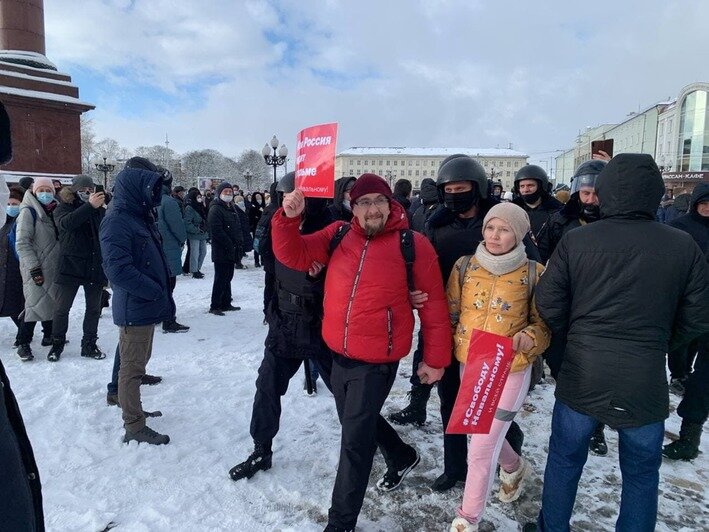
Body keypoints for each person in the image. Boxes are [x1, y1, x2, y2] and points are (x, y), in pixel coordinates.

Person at [534, 154, 709, 532]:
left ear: (607, 191)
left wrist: (576, 335)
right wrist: (658, 341)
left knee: (564, 459)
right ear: (654, 193)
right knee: (642, 473)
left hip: (583, 371)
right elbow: (697, 314)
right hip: (644, 376)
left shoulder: (577, 241)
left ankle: (552, 528)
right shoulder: (682, 245)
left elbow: (547, 302)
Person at [272, 174, 451, 532]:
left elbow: (433, 308)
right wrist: (288, 218)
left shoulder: (411, 244)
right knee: (356, 421)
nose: (371, 209)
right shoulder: (338, 234)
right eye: (363, 202)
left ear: (391, 205)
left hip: (377, 361)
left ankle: (340, 523)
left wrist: (435, 359)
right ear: (353, 207)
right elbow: (293, 254)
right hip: (337, 351)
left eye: (378, 202)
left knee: (354, 443)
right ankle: (401, 454)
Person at [390, 155, 537, 492]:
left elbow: (531, 272)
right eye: (449, 190)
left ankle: (508, 459)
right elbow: (421, 269)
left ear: (478, 188)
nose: (455, 195)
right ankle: (454, 465)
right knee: (452, 399)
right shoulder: (436, 224)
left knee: (496, 407)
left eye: (462, 189)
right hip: (451, 324)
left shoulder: (499, 220)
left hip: (499, 328)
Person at [228, 172, 338, 480]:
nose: (292, 204)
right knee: (267, 387)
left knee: (345, 394)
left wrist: (317, 279)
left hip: (320, 325)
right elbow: (272, 273)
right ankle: (261, 449)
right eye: (287, 198)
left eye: (299, 198)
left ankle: (382, 445)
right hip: (285, 324)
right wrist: (269, 308)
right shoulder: (276, 225)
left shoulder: (331, 228)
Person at [448, 203, 550, 532]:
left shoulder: (535, 272)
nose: (495, 235)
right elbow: (450, 314)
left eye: (504, 229)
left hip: (511, 369)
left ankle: (468, 518)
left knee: (480, 447)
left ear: (518, 234)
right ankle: (514, 466)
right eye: (491, 227)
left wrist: (529, 337)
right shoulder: (464, 267)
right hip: (473, 365)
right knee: (482, 433)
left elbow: (545, 325)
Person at [99, 157, 175, 445]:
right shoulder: (117, 220)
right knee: (130, 370)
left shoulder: (137, 216)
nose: (155, 195)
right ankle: (133, 425)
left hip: (145, 304)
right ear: (136, 188)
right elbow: (117, 269)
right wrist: (154, 289)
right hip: (136, 304)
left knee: (137, 365)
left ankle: (135, 411)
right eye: (151, 187)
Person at [537, 160, 610, 455]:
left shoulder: (616, 224)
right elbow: (540, 256)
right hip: (564, 305)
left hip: (601, 307)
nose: (590, 200)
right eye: (585, 194)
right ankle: (570, 421)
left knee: (598, 372)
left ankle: (597, 427)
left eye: (596, 194)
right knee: (563, 366)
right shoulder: (559, 221)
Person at [663, 183, 709, 460]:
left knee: (703, 380)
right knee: (678, 352)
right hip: (686, 308)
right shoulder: (681, 227)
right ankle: (679, 374)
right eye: (704, 203)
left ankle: (690, 436)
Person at [48, 175, 107, 361]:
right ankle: (57, 343)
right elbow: (67, 224)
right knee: (62, 308)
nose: (87, 194)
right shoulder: (62, 208)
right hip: (70, 265)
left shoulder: (99, 209)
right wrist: (89, 206)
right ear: (73, 191)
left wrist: (104, 207)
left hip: (94, 264)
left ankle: (89, 343)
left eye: (90, 190)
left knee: (93, 309)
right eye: (83, 190)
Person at [1, 186, 50, 360]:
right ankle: (25, 340)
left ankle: (29, 338)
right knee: (25, 305)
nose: (11, 206)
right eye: (8, 203)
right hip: (12, 270)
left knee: (29, 305)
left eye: (15, 203)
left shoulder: (25, 217)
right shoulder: (6, 221)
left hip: (24, 269)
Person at [15, 177, 61, 360]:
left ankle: (48, 335)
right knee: (33, 304)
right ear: (34, 191)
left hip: (52, 264)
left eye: (48, 190)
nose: (45, 193)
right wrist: (34, 267)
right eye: (41, 190)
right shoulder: (28, 211)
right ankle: (23, 342)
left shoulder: (52, 209)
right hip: (36, 266)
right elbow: (22, 243)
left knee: (49, 300)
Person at [156, 172, 189, 334]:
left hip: (152, 249)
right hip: (168, 248)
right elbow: (177, 226)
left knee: (157, 284)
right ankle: (168, 319)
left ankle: (155, 315)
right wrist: (182, 239)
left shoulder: (147, 199)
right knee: (169, 285)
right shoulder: (168, 202)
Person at [207, 182, 242, 315]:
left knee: (228, 276)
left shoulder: (230, 207)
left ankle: (226, 302)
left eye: (230, 192)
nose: (228, 194)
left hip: (232, 248)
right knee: (221, 277)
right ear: (219, 193)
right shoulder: (215, 209)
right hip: (222, 249)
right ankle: (215, 305)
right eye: (225, 192)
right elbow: (216, 231)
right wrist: (229, 244)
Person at [511, 164, 563, 241]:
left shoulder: (557, 211)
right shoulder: (512, 210)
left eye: (530, 185)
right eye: (522, 186)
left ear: (541, 187)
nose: (526, 190)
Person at [183, 189, 208, 278]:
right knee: (195, 253)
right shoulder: (189, 208)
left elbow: (205, 217)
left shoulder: (200, 206)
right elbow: (187, 222)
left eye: (200, 197)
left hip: (202, 233)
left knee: (203, 252)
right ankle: (194, 270)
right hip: (194, 233)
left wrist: (205, 226)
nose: (200, 198)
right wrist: (197, 229)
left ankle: (197, 268)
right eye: (198, 197)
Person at [233, 193, 253, 269]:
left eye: (242, 200)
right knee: (239, 248)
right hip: (240, 231)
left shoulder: (242, 208)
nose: (241, 202)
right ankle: (238, 263)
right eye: (239, 201)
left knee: (242, 247)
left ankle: (238, 262)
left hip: (244, 230)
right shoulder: (236, 209)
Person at [249, 192, 266, 267]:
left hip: (264, 228)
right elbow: (251, 219)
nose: (259, 199)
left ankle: (262, 260)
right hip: (256, 228)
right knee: (256, 244)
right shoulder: (252, 207)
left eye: (260, 198)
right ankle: (256, 261)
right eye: (257, 198)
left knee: (263, 244)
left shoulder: (264, 206)